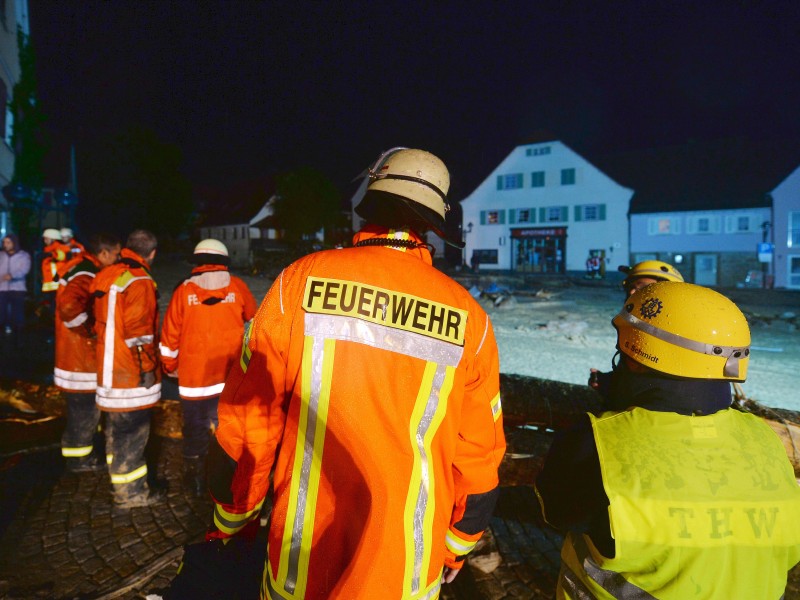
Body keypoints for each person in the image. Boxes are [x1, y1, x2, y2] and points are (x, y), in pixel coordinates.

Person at [205, 148, 506, 598]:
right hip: (406, 574)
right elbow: (479, 460)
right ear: (433, 225)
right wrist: (454, 550)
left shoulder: (298, 283)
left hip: (301, 567)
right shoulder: (470, 320)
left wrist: (233, 519)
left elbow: (249, 425)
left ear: (370, 201)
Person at [536, 281, 800, 599]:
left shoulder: (594, 441)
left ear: (637, 357)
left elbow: (558, 512)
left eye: (622, 352)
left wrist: (618, 402)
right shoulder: (765, 438)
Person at [159, 239, 257, 496]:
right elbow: (254, 318)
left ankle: (195, 480)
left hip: (194, 380)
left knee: (195, 428)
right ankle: (228, 478)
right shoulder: (237, 286)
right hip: (229, 377)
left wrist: (169, 367)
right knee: (228, 428)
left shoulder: (183, 291)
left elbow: (169, 338)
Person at [91, 229, 163, 508]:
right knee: (133, 434)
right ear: (152, 253)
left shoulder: (107, 274)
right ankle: (131, 494)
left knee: (116, 431)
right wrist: (147, 368)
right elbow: (140, 335)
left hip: (107, 371)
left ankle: (118, 481)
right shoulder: (140, 281)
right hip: (128, 374)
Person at [56, 233, 121, 472]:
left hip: (75, 358)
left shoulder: (82, 268)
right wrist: (92, 332)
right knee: (83, 414)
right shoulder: (86, 274)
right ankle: (79, 461)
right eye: (115, 253)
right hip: (80, 361)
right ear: (103, 253)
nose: (117, 258)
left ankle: (81, 455)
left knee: (82, 413)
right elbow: (69, 308)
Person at [588, 259, 683, 400]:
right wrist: (606, 382)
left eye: (642, 287)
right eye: (631, 287)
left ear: (668, 291)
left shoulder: (677, 333)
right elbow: (634, 378)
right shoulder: (641, 327)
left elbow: (668, 389)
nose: (632, 292)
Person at [0, 234, 31, 340]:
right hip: (2, 288)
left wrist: (12, 276)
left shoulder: (23, 256)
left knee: (17, 312)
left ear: (14, 243)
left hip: (17, 288)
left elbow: (24, 269)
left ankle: (18, 335)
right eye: (4, 242)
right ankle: (4, 331)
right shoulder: (1, 255)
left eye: (8, 242)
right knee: (1, 311)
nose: (5, 245)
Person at [41, 228, 70, 294]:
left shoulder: (62, 248)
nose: (45, 241)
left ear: (53, 239)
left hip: (58, 283)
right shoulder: (47, 250)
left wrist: (52, 254)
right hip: (50, 285)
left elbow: (63, 256)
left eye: (47, 239)